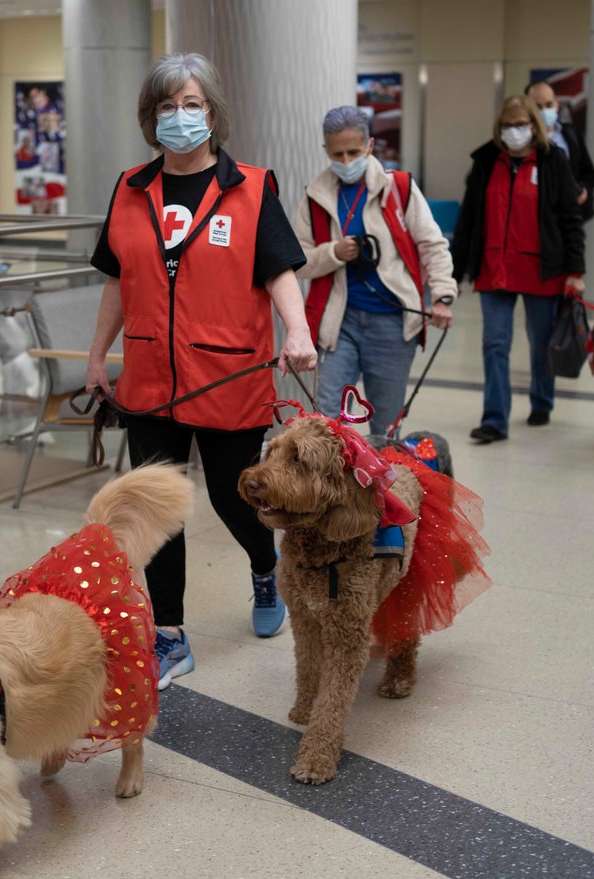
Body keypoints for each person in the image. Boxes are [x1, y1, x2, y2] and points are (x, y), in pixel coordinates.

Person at [85, 53, 313, 688]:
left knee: (235, 497)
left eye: (192, 105)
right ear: (149, 118)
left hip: (228, 377)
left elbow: (278, 270)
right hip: (150, 378)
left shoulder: (250, 188)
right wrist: (99, 354)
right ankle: (170, 635)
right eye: (167, 107)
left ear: (213, 114)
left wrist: (295, 328)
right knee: (157, 510)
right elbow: (117, 281)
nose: (180, 117)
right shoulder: (131, 189)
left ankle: (265, 569)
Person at [292, 105, 456, 434]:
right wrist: (334, 252)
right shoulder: (315, 196)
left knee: (385, 425)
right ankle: (331, 487)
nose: (347, 160)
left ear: (370, 145)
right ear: (326, 151)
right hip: (339, 324)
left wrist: (443, 296)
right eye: (337, 154)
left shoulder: (399, 188)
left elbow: (431, 244)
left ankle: (381, 485)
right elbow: (299, 261)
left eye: (354, 151)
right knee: (325, 423)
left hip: (392, 323)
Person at [451, 94, 586, 443]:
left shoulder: (554, 161)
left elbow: (571, 218)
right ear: (499, 128)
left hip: (543, 269)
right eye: (508, 126)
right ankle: (495, 419)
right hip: (494, 267)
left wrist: (577, 270)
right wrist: (455, 272)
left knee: (540, 342)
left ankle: (542, 399)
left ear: (534, 126)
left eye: (521, 125)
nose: (515, 132)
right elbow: (468, 220)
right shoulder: (485, 163)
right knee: (495, 343)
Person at [525, 80, 594, 221]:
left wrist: (582, 191)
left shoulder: (571, 134)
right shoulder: (521, 140)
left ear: (557, 104)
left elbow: (587, 172)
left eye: (549, 104)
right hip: (532, 218)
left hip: (568, 218)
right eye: (537, 107)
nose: (544, 111)